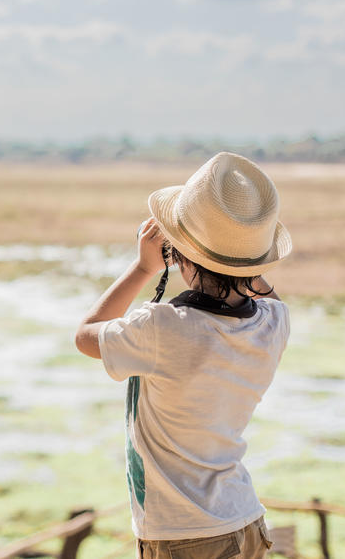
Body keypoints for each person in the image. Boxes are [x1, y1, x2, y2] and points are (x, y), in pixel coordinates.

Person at [74, 152, 292, 559]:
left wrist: (142, 268)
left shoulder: (162, 327)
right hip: (244, 520)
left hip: (184, 536)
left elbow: (86, 336)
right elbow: (265, 294)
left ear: (181, 256)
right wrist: (241, 255)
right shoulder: (273, 323)